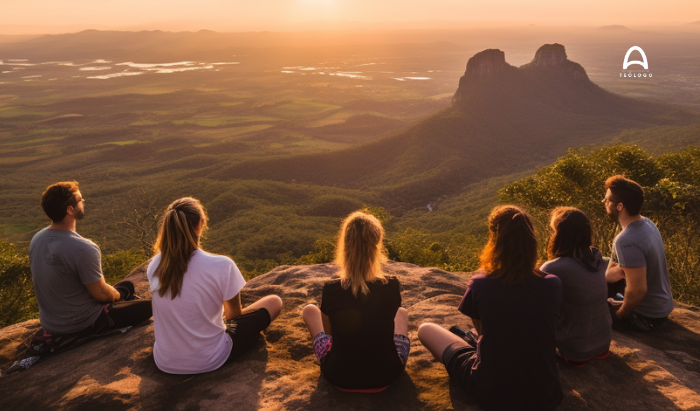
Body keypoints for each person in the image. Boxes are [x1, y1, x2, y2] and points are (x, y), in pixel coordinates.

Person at [418, 205, 563, 411]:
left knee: (426, 329)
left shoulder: (480, 284)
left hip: (492, 392)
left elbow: (482, 331)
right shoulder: (553, 284)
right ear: (531, 242)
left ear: (494, 241)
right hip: (545, 394)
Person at [146, 197, 283, 374]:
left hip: (165, 361)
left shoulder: (155, 265)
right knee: (274, 302)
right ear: (199, 226)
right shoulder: (222, 265)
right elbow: (234, 316)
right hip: (209, 359)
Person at [302, 211, 409, 392]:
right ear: (376, 246)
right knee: (402, 313)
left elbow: (330, 337)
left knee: (309, 311)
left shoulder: (331, 289)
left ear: (344, 247)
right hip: (387, 375)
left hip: (339, 377)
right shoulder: (391, 285)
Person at [29, 181, 152, 337]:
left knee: (127, 285)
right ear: (70, 210)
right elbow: (100, 294)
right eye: (80, 199)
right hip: (80, 323)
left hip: (51, 323)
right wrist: (117, 297)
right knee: (149, 307)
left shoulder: (37, 238)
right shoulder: (84, 248)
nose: (84, 201)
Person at [540, 207, 611, 367]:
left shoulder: (554, 268)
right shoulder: (599, 259)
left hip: (575, 351)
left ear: (559, 234)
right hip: (603, 344)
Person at [603, 175, 674, 331]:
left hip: (646, 316)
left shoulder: (626, 240)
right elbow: (611, 272)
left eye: (607, 199)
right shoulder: (646, 223)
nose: (604, 202)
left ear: (620, 206)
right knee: (599, 264)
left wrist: (620, 314)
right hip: (662, 305)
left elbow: (637, 290)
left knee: (588, 314)